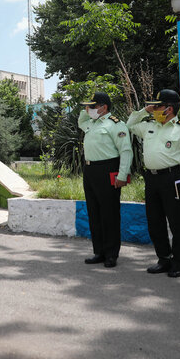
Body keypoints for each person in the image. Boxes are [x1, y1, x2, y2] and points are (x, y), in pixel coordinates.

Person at [127, 89, 180, 278]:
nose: (153, 109)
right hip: (151, 179)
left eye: (157, 106)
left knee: (177, 222)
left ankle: (178, 262)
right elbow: (130, 124)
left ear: (168, 109)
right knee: (155, 221)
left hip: (172, 177)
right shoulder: (149, 126)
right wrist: (145, 111)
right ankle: (164, 258)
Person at [78, 92, 133, 268]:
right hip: (90, 170)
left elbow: (126, 151)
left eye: (93, 106)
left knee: (109, 214)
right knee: (94, 213)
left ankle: (111, 254)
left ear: (104, 107)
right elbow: (81, 121)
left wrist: (122, 175)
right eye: (89, 107)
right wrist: (86, 109)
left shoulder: (115, 125)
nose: (89, 110)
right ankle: (99, 252)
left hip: (108, 169)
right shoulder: (91, 123)